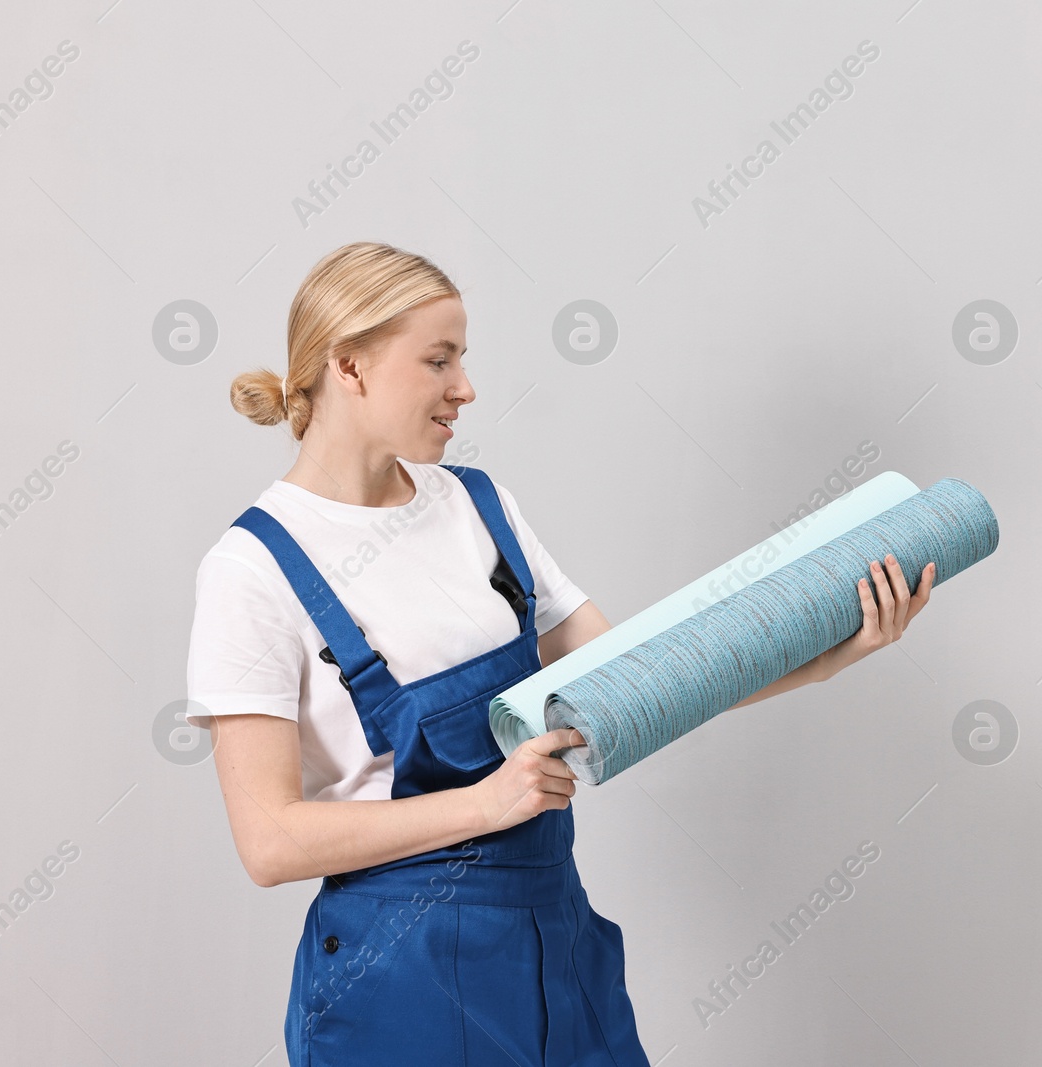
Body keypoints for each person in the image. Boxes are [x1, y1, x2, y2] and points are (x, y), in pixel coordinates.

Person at [185, 240, 936, 1066]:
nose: (465, 388)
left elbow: (639, 680)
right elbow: (270, 842)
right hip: (398, 975)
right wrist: (484, 804)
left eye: (462, 358)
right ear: (350, 366)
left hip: (552, 941)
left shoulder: (479, 505)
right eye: (438, 360)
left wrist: (825, 657)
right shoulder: (254, 569)